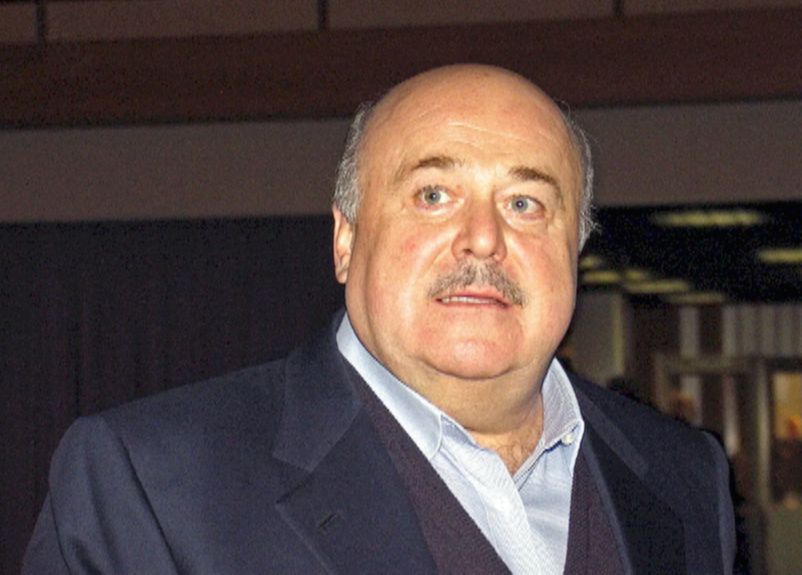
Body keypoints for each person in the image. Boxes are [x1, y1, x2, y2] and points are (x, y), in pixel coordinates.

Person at [23, 65, 735, 574]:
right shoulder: (148, 485)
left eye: (525, 204)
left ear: (575, 248)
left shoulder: (684, 476)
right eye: (433, 195)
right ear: (345, 240)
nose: (483, 238)